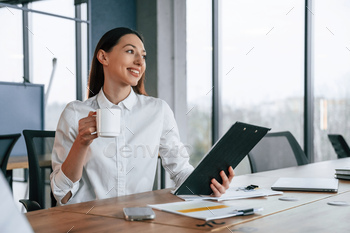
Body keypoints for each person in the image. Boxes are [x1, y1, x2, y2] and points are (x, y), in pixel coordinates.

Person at [50, 27, 234, 205]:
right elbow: (62, 195)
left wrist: (208, 186)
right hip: (87, 221)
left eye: (143, 56)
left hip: (137, 219)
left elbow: (181, 171)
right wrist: (81, 143)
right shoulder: (74, 113)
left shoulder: (158, 110)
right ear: (103, 57)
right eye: (130, 51)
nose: (140, 61)